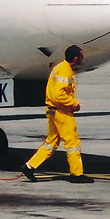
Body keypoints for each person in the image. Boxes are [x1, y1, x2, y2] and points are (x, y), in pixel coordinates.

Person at [23, 45, 93, 183]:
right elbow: (58, 96)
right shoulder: (64, 71)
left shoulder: (62, 68)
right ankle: (77, 174)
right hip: (61, 112)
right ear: (75, 58)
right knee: (72, 142)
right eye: (80, 56)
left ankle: (29, 167)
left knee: (52, 142)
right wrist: (74, 104)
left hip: (54, 110)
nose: (82, 59)